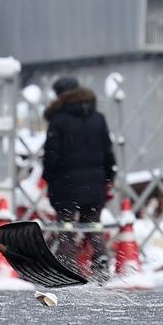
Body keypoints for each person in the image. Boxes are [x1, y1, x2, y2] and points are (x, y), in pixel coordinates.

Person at [42, 76, 116, 278]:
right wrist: (108, 177)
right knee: (93, 224)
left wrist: (48, 176)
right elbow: (108, 152)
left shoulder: (58, 120)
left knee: (65, 227)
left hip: (65, 185)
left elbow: (51, 155)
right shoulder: (98, 118)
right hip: (95, 184)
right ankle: (100, 259)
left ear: (59, 95)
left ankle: (68, 268)